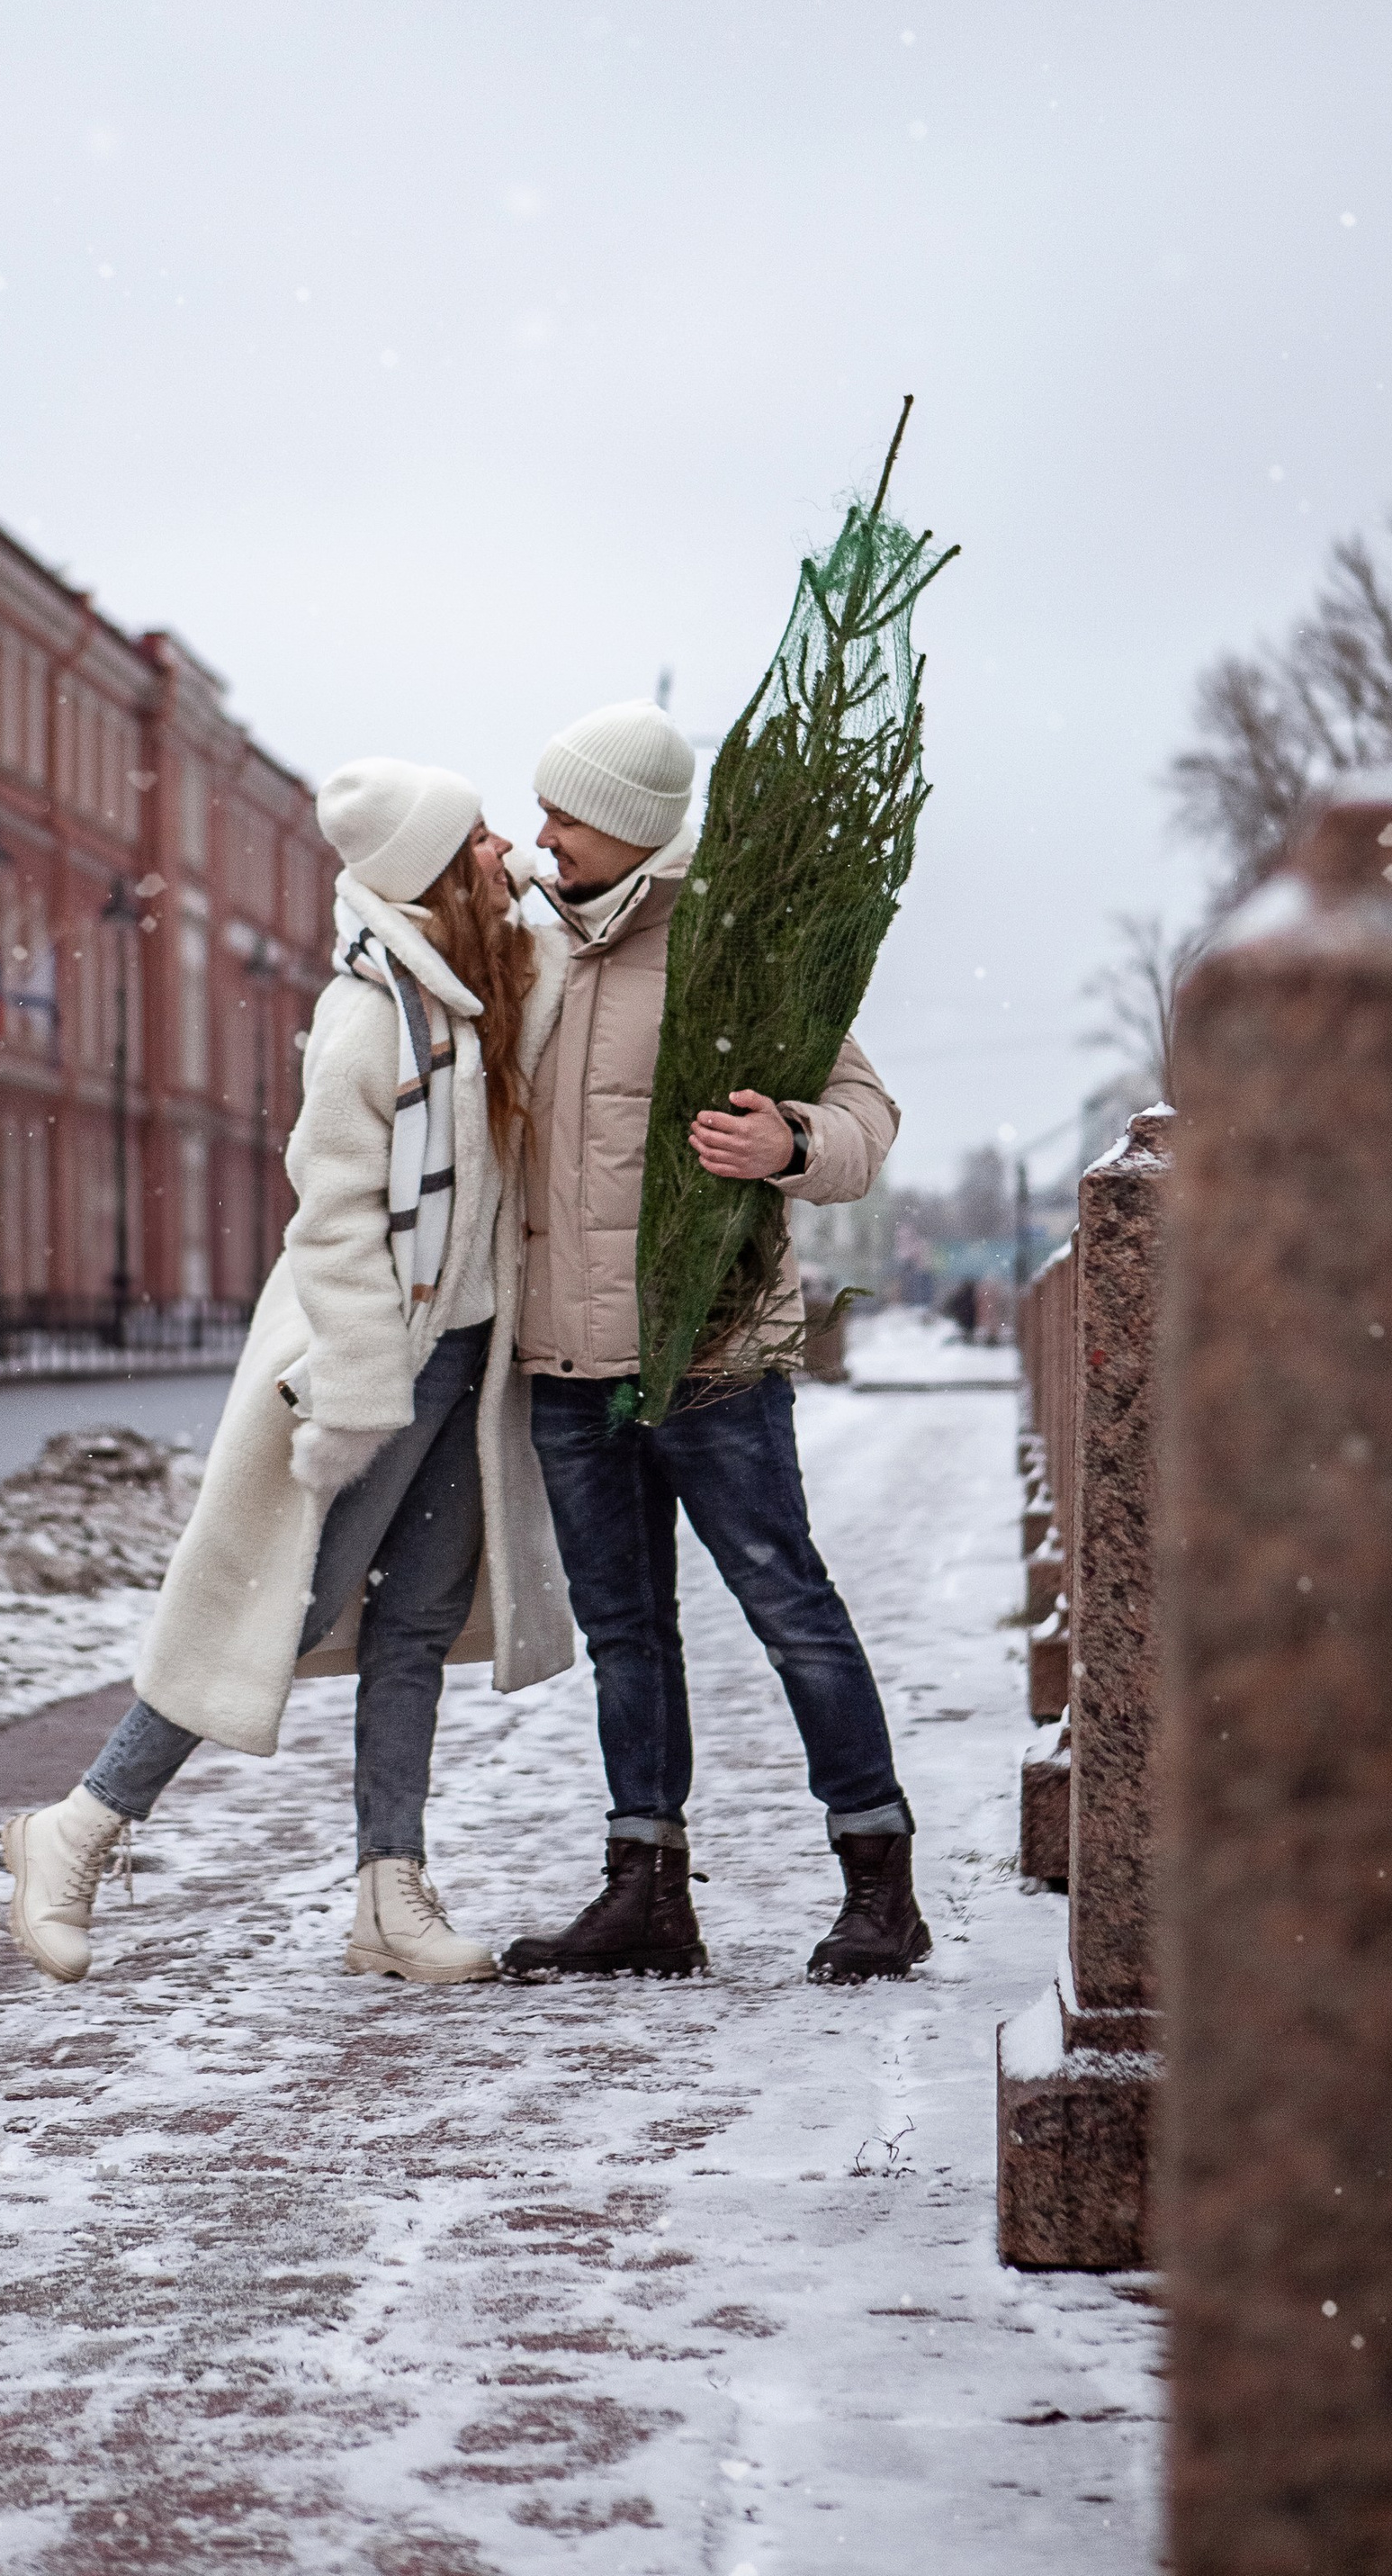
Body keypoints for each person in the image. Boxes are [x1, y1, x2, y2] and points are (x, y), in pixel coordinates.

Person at [2, 756, 572, 1990]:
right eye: (478, 838)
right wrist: (363, 1389)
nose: (502, 850)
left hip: (469, 1363)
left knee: (415, 1624)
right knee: (279, 1608)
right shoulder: (375, 1016)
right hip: (378, 1366)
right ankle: (80, 1827)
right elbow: (333, 1219)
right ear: (432, 872)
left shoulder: (477, 996)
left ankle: (388, 1897)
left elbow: (570, 965)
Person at [498, 697, 928, 1986]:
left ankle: (880, 1882)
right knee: (624, 1633)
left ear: (629, 826)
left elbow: (864, 1114)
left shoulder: (738, 947)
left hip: (712, 1353)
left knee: (787, 1605)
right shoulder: (533, 953)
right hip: (570, 1368)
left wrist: (791, 1141)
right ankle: (647, 1895)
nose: (543, 834)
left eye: (565, 815)